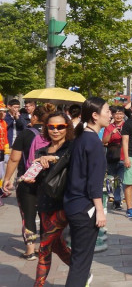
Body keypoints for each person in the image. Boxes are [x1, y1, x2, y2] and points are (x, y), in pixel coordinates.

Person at [64, 97, 110, 286]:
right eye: (107, 111)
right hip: (84, 207)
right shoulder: (93, 142)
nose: (110, 115)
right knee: (81, 263)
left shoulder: (81, 137)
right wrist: (100, 210)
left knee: (78, 258)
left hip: (73, 204)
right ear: (94, 115)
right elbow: (94, 182)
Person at [2, 103, 55, 260]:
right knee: (46, 215)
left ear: (35, 116)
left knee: (28, 215)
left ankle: (30, 250)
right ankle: (44, 248)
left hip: (27, 180)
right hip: (49, 182)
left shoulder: (25, 134)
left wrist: (7, 179)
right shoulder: (55, 133)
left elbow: (14, 158)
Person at [27, 112, 74, 287]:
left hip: (65, 204)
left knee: (44, 245)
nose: (55, 130)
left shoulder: (72, 148)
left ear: (67, 128)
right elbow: (38, 180)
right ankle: (81, 270)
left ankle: (38, 285)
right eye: (51, 127)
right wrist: (30, 177)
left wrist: (54, 158)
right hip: (45, 204)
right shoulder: (41, 151)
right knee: (56, 246)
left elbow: (71, 162)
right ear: (46, 128)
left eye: (60, 127)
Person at [102, 106, 126, 210]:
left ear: (123, 115)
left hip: (124, 156)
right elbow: (104, 141)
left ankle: (117, 201)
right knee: (110, 180)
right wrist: (112, 133)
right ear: (112, 115)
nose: (119, 116)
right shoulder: (109, 127)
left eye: (120, 113)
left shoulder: (127, 126)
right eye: (116, 113)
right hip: (112, 156)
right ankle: (110, 197)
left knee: (120, 180)